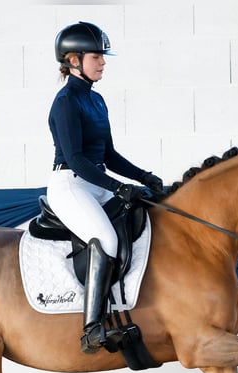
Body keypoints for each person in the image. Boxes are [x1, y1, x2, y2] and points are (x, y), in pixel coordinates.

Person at [46, 21, 164, 355]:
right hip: (71, 185)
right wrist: (118, 187)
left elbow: (108, 155)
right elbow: (77, 158)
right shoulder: (66, 101)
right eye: (96, 56)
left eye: (102, 56)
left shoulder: (97, 102)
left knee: (147, 218)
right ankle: (92, 328)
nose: (103, 62)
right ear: (73, 60)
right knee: (107, 239)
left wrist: (144, 177)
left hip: (96, 181)